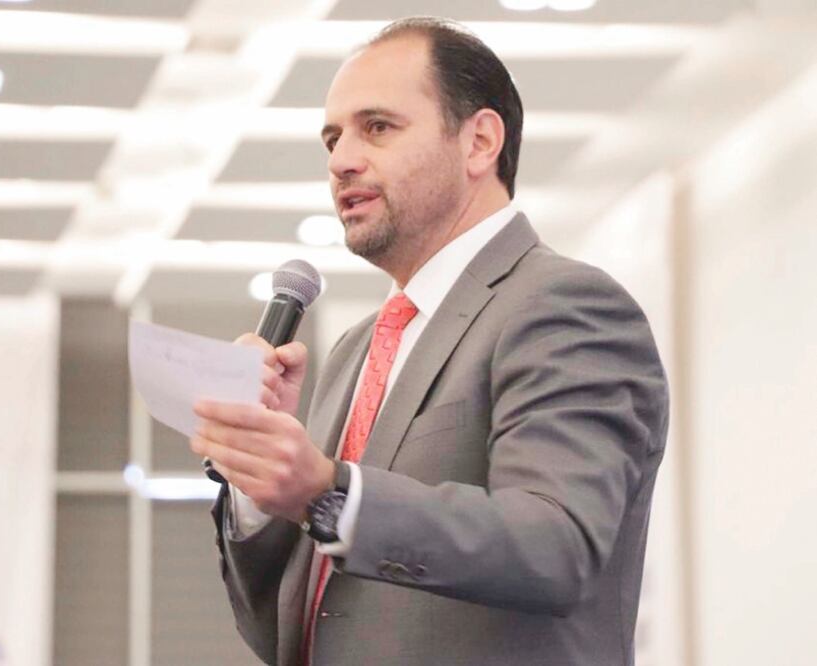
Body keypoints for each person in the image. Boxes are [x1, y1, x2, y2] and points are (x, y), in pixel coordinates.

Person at [190, 16, 668, 666]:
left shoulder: (562, 305)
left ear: (478, 142)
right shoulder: (353, 352)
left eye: (377, 127)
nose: (339, 161)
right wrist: (258, 478)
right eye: (331, 139)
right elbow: (285, 629)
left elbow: (554, 547)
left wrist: (325, 490)